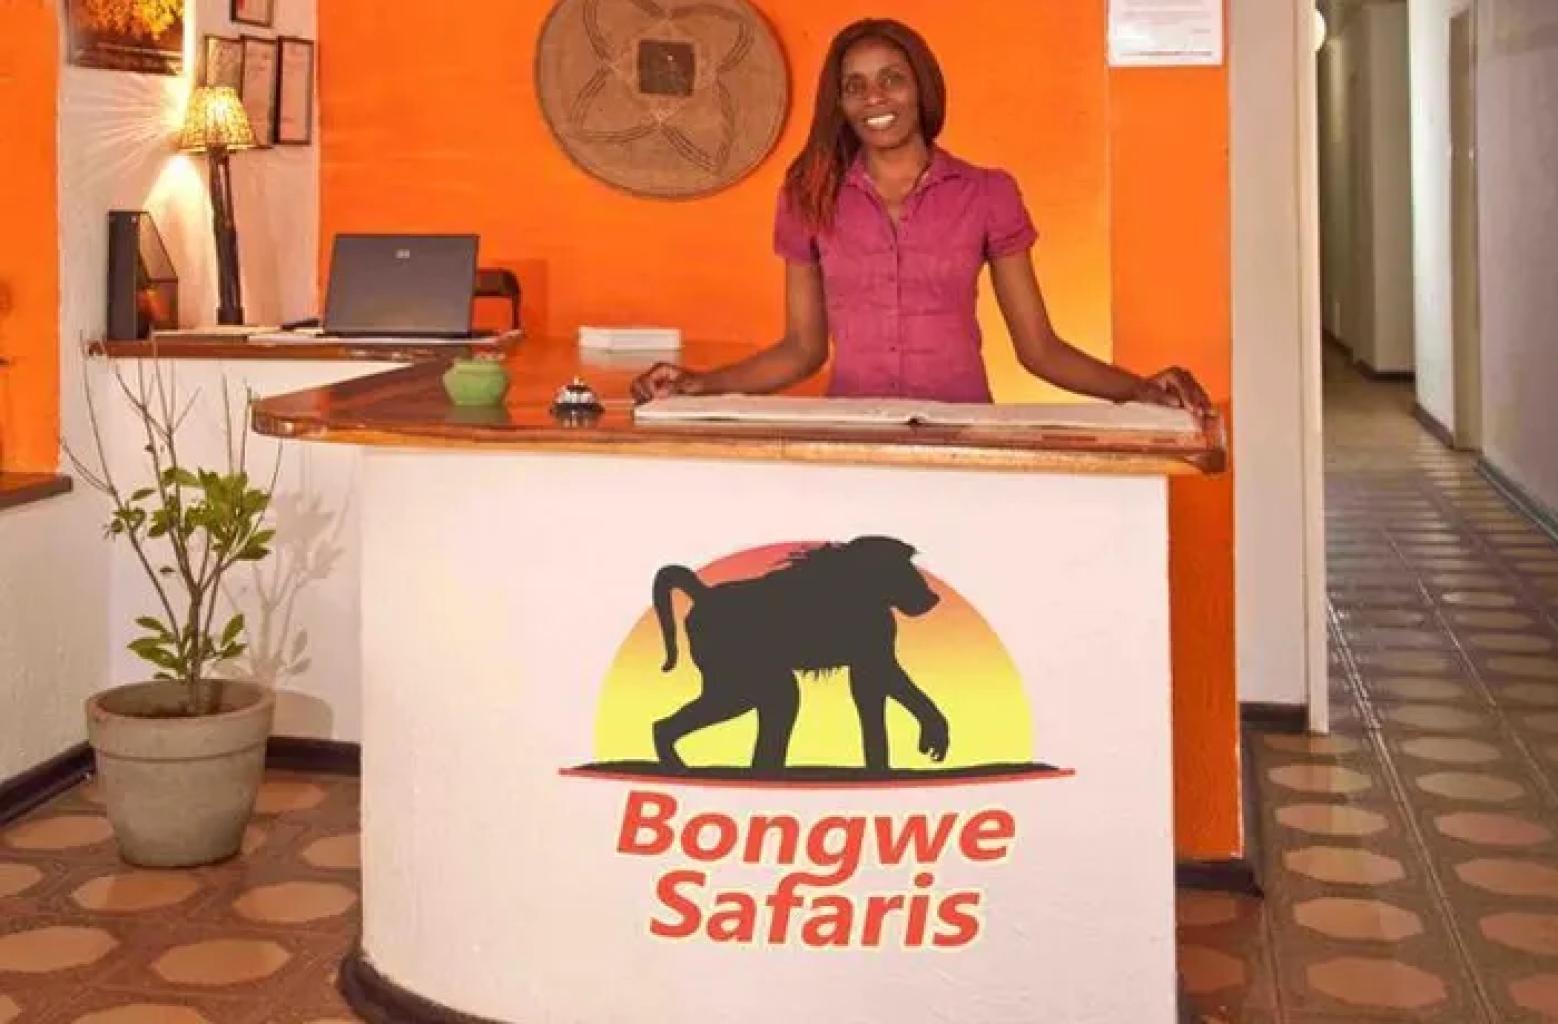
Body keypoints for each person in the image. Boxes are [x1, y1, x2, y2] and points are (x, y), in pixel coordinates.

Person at [631, 17, 1212, 416]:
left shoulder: (988, 193)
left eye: (891, 79)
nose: (874, 98)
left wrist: (1139, 390)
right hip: (852, 439)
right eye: (855, 86)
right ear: (841, 103)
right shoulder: (808, 194)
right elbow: (802, 350)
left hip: (964, 437)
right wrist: (701, 384)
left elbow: (1039, 349)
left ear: (921, 88)